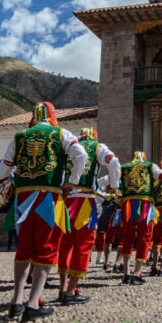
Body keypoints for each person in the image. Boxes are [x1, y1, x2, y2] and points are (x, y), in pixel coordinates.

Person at [0, 101, 87, 323]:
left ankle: (16, 301)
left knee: (24, 248)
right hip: (49, 198)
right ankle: (33, 303)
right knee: (46, 248)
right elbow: (81, 155)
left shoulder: (19, 136)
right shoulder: (60, 133)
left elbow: (0, 172)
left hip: (23, 200)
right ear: (53, 116)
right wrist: (72, 182)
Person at [57, 127, 120, 305]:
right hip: (84, 200)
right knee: (83, 245)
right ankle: (71, 291)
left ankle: (62, 287)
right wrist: (114, 185)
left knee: (65, 244)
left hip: (66, 199)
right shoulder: (98, 147)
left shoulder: (69, 147)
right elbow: (113, 162)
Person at [118, 151, 162, 284]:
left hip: (128, 205)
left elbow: (110, 180)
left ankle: (126, 272)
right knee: (144, 237)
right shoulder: (150, 166)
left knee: (127, 236)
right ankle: (136, 272)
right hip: (145, 205)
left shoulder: (124, 167)